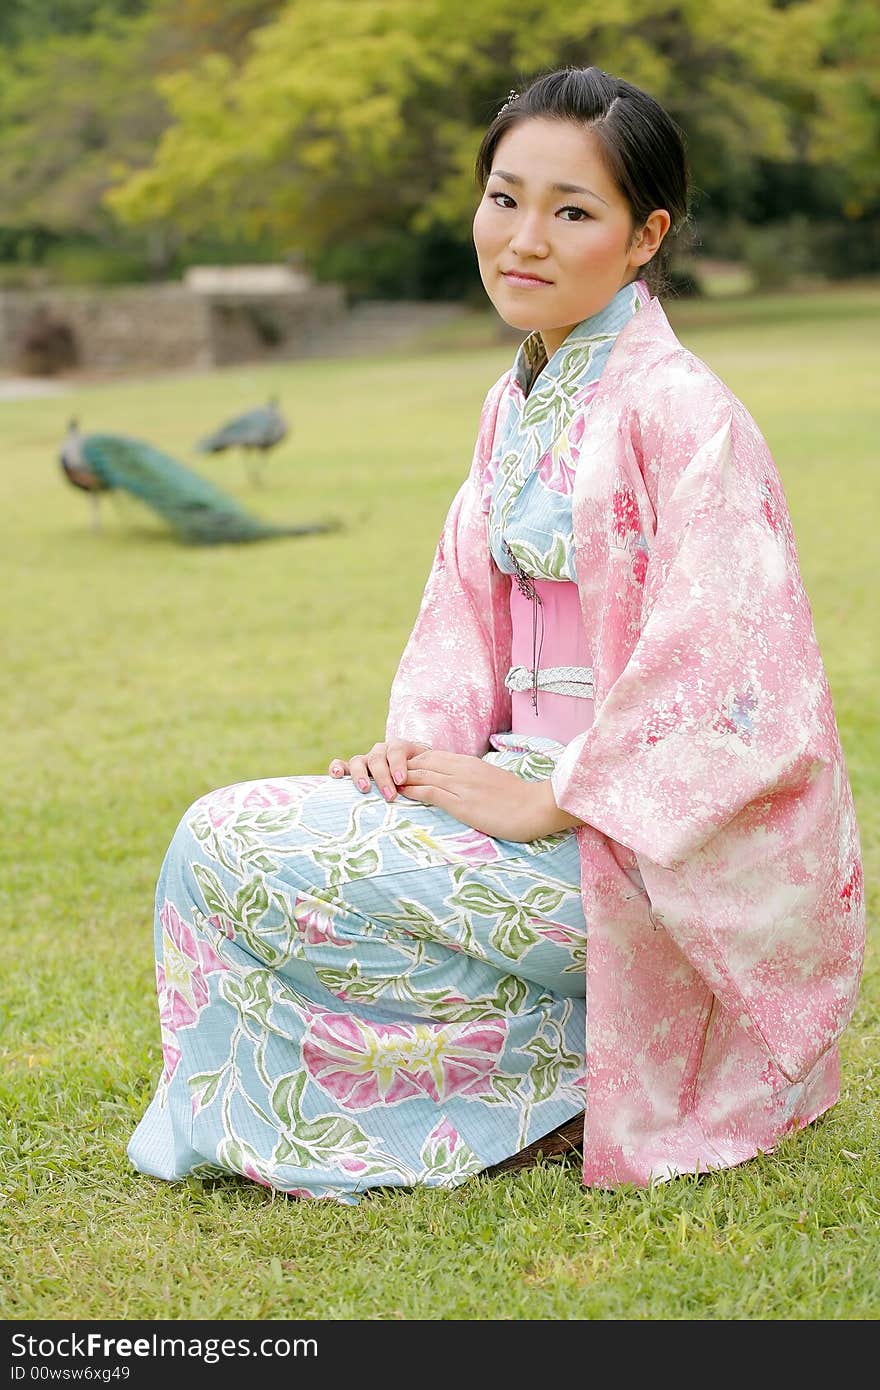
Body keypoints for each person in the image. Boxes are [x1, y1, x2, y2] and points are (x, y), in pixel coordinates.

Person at [128, 66, 865, 1202]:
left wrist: (556, 794)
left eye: (571, 211)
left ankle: (583, 1070)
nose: (523, 239)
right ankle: (554, 1075)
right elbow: (462, 618)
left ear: (641, 236)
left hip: (632, 846)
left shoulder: (683, 412)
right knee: (215, 844)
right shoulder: (510, 399)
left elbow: (735, 679)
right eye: (503, 197)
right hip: (517, 793)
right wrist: (416, 752)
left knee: (241, 849)